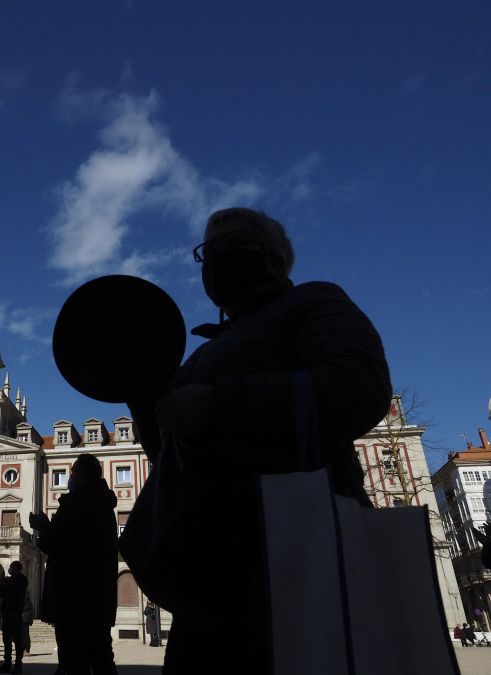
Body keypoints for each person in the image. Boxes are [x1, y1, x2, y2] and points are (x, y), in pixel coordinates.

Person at [126, 207, 392, 671]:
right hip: (208, 567)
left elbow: (360, 387)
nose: (218, 258)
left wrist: (219, 404)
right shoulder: (204, 353)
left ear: (273, 261)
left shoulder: (314, 301)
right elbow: (171, 456)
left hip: (290, 547)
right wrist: (140, 393)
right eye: (209, 251)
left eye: (234, 244)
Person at [29, 453, 118, 675]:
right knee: (102, 659)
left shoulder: (75, 503)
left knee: (73, 662)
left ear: (80, 475)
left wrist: (43, 526)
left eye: (72, 473)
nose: (70, 478)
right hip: (99, 597)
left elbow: (56, 544)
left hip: (72, 597)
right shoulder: (105, 506)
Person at [0, 560, 28, 674]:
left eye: (12, 567)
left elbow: (18, 591)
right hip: (7, 612)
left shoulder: (22, 579)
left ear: (17, 568)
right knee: (6, 639)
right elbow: (1, 595)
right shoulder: (9, 580)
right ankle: (7, 663)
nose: (10, 569)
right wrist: (2, 584)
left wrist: (7, 583)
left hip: (16, 612)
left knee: (17, 639)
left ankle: (18, 664)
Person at [21, 591, 34, 657]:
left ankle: (27, 650)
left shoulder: (24, 596)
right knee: (24, 634)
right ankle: (24, 649)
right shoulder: (26, 596)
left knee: (25, 634)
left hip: (24, 618)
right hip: (25, 617)